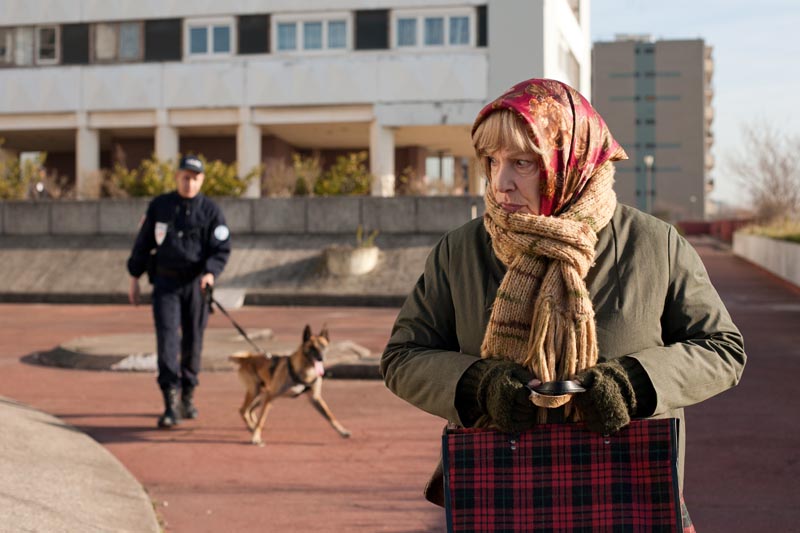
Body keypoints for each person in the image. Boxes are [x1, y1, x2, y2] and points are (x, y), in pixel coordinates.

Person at [380, 78, 746, 523]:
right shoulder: (459, 251)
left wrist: (636, 383)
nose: (501, 183)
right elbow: (403, 356)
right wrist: (478, 385)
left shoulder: (655, 244)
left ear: (572, 159)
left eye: (523, 163)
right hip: (503, 496)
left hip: (627, 493)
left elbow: (721, 350)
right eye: (491, 161)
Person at [127, 155, 231, 428]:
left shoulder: (211, 211)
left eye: (195, 177)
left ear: (202, 180)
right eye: (185, 176)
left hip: (196, 286)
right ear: (177, 177)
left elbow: (221, 248)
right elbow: (143, 243)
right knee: (167, 342)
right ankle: (169, 402)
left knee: (193, 342)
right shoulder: (160, 206)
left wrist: (210, 272)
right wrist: (134, 276)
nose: (190, 182)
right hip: (165, 285)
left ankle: (188, 395)